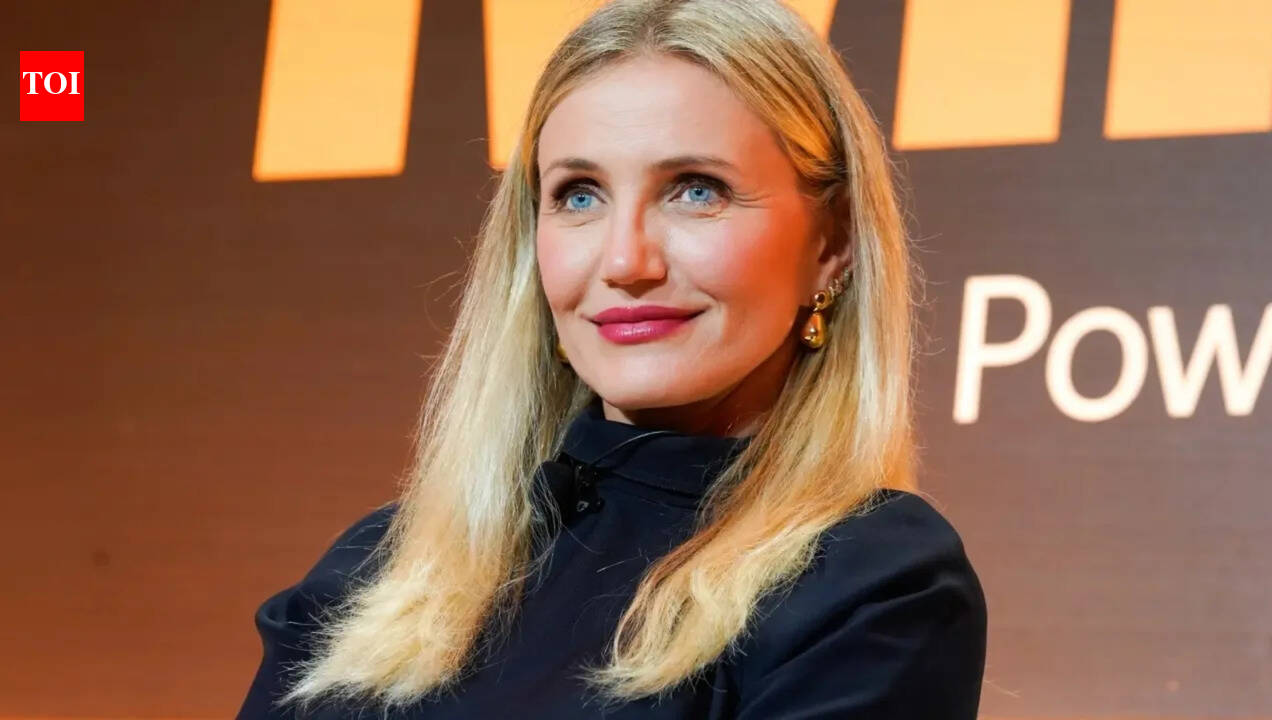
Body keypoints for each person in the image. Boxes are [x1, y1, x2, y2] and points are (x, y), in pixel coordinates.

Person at [236, 0, 987, 717]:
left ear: (833, 242)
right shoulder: (379, 571)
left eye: (697, 191)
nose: (626, 261)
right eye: (580, 196)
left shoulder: (869, 582)